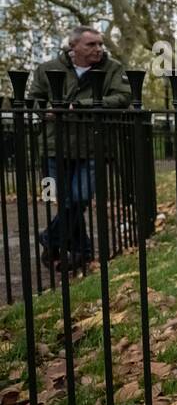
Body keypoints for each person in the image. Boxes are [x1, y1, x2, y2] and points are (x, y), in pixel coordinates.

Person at [27, 26, 130, 271]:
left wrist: (79, 106)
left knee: (80, 197)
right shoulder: (47, 69)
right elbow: (33, 99)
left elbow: (123, 98)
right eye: (91, 44)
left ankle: (50, 238)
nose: (98, 49)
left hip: (94, 146)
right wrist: (45, 110)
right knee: (62, 201)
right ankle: (82, 252)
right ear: (73, 47)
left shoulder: (112, 68)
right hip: (54, 145)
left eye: (100, 44)